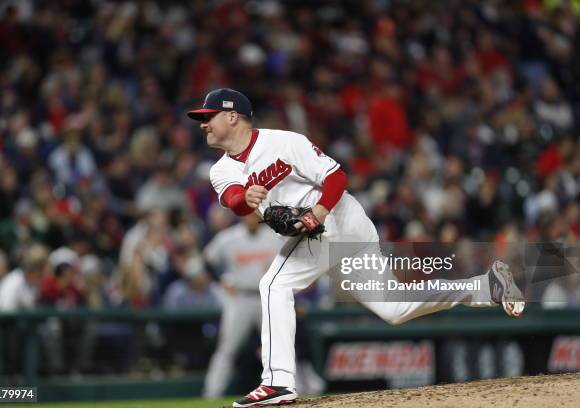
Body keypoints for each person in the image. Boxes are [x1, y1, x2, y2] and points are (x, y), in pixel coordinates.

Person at [186, 88, 526, 407]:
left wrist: (317, 213)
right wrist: (245, 197)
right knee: (393, 308)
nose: (203, 124)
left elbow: (336, 177)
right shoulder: (221, 169)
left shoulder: (284, 142)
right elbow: (234, 199)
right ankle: (485, 287)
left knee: (274, 284)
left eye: (209, 116)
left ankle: (278, 381)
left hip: (336, 217)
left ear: (232, 117)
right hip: (325, 231)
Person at [202, 213, 282, 399]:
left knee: (279, 345)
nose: (252, 218)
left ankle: (293, 386)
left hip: (267, 297)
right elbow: (207, 261)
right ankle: (212, 392)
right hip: (240, 298)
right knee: (227, 348)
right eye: (248, 215)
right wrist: (221, 280)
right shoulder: (228, 237)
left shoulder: (274, 237)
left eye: (255, 215)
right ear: (242, 216)